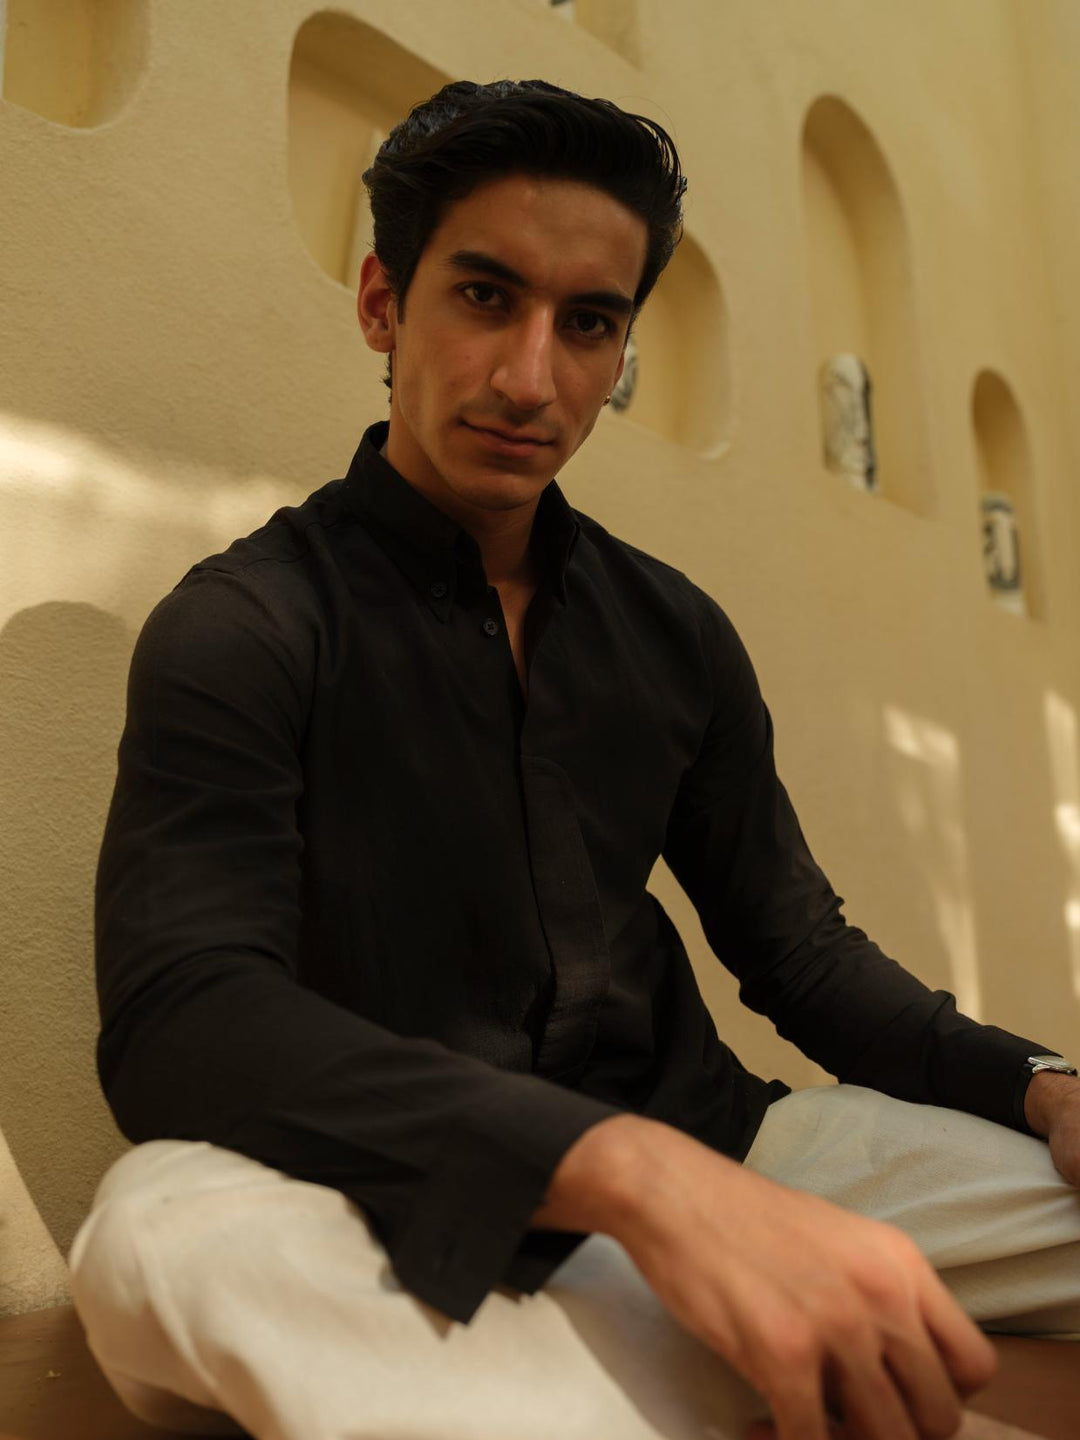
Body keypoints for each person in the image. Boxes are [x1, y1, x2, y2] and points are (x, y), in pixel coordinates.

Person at [69, 78, 1080, 1440]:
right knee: (154, 1242)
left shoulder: (674, 632)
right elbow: (182, 1019)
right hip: (397, 1194)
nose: (530, 378)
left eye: (588, 323)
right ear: (383, 303)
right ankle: (710, 1360)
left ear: (620, 351)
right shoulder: (246, 623)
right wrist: (622, 1176)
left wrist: (1038, 1084)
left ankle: (659, 1368)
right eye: (485, 297)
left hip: (732, 1155)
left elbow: (800, 954)